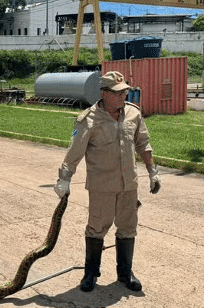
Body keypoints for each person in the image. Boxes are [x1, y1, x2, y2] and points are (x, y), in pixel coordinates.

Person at [54, 71, 160, 293]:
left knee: (128, 228)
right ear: (104, 94)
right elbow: (75, 151)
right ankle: (91, 273)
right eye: (118, 93)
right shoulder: (88, 119)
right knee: (96, 229)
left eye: (125, 92)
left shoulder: (133, 114)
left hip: (128, 185)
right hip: (102, 186)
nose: (123, 97)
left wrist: (152, 171)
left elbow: (143, 144)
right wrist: (64, 179)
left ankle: (125, 273)